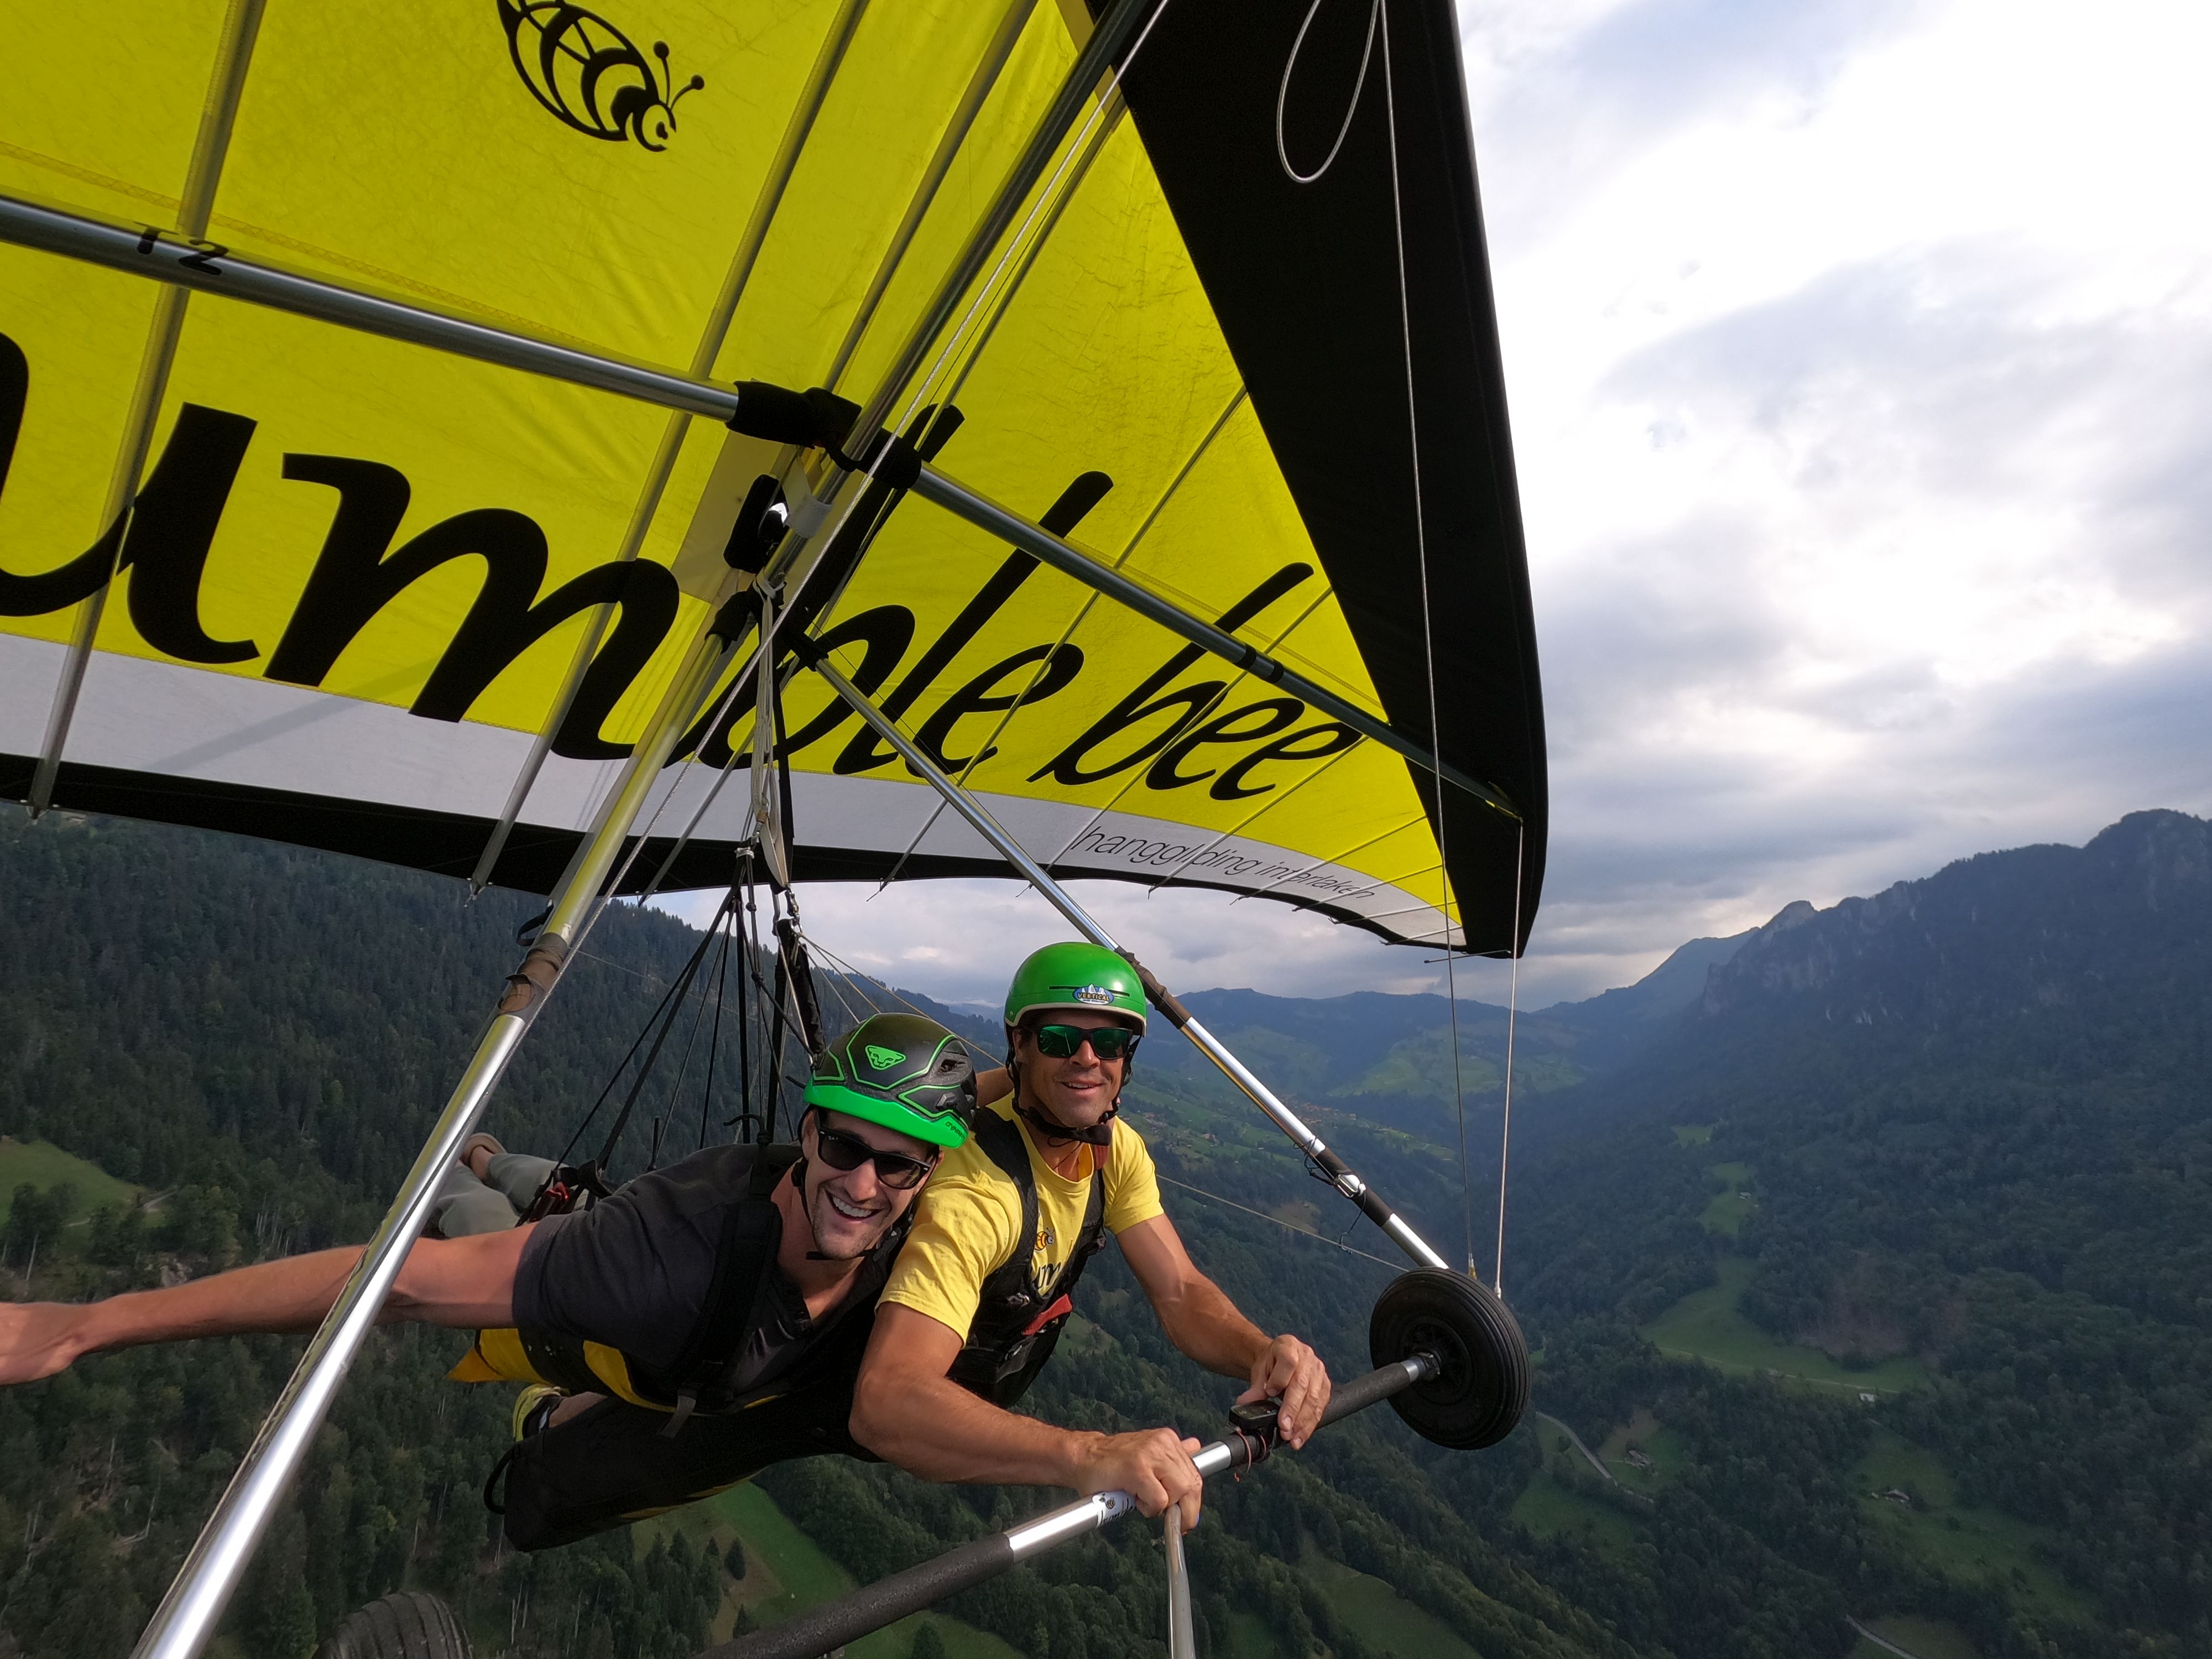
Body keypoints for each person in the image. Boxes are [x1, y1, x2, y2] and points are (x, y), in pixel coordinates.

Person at [0, 1012, 977, 1548]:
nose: (862, 1184)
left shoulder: (925, 1221)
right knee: (483, 1222)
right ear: (808, 1134)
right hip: (578, 1318)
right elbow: (401, 1287)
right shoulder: (656, 1265)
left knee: (555, 1194)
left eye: (897, 1166)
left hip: (617, 1236)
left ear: (931, 1175)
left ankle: (497, 1160)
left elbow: (992, 1111)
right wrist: (90, 1323)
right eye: (845, 1147)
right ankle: (469, 1175)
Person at [851, 942, 1334, 1533]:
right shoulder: (979, 1193)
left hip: (980, 1396)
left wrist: (1260, 1350)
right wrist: (1087, 1454)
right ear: (1020, 1045)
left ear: (1126, 1060)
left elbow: (1180, 1292)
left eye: (1108, 1043)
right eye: (1058, 1039)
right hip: (916, 1421)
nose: (1087, 1059)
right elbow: (885, 1402)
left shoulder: (1114, 1150)